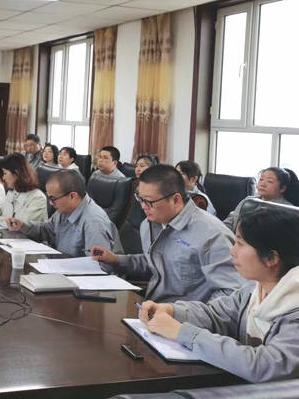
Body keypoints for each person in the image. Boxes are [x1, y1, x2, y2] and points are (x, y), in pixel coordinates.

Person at [139, 199, 299, 383]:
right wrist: (172, 310)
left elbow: (263, 366)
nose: (232, 251)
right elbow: (215, 314)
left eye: (240, 244)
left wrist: (182, 332)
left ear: (271, 258)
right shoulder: (254, 289)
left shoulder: (294, 310)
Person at [92, 164, 244, 302]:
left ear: (176, 199)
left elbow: (230, 295)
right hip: (153, 309)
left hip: (183, 318)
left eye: (149, 201)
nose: (143, 207)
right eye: (140, 199)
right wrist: (116, 260)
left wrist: (181, 313)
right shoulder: (156, 222)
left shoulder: (211, 235)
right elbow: (156, 263)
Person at [10, 169, 121, 257]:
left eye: (53, 199)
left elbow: (100, 266)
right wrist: (23, 226)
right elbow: (46, 231)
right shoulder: (63, 211)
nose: (50, 203)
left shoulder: (94, 222)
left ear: (72, 196)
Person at [222, 167, 297, 232]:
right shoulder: (248, 201)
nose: (262, 184)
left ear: (282, 188)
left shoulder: (288, 211)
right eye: (261, 179)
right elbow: (229, 222)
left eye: (270, 181)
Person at [0, 153, 48, 228]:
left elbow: (21, 225)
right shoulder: (12, 192)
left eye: (5, 173)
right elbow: (1, 211)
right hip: (8, 234)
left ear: (17, 173)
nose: (3, 178)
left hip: (23, 235)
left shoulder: (37, 198)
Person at [121, 155, 160, 254]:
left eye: (142, 166)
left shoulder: (157, 188)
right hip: (129, 227)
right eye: (136, 166)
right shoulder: (132, 183)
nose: (138, 169)